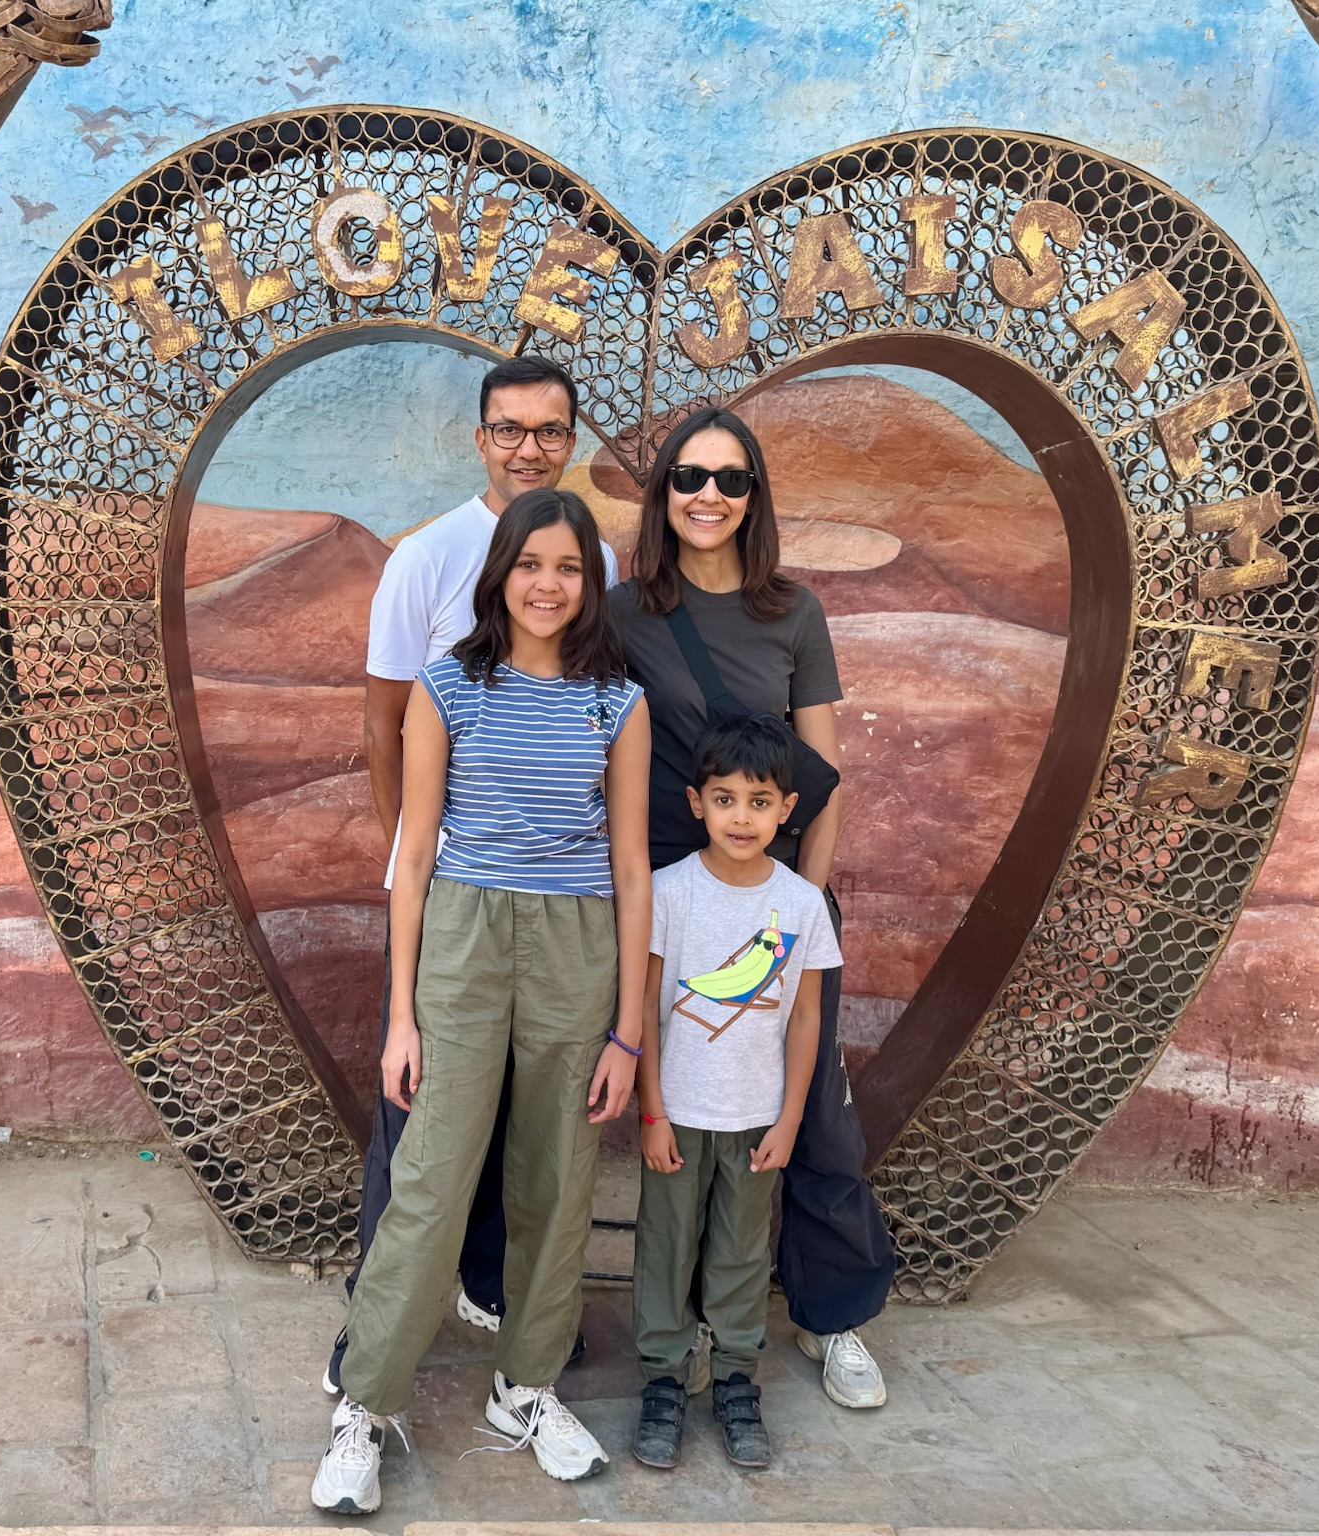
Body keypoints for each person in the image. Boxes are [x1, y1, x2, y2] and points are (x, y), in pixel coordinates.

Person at [312, 489, 651, 1515]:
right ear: (500, 573)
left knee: (558, 1174)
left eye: (569, 568)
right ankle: (366, 1403)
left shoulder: (616, 703)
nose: (548, 585)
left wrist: (628, 1032)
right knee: (431, 1174)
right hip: (461, 940)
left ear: (590, 583)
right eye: (530, 564)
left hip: (577, 946)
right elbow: (414, 853)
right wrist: (402, 1017)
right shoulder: (447, 687)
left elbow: (631, 867)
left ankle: (526, 1386)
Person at [327, 356, 615, 1393]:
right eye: (509, 429)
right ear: (479, 437)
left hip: (558, 905)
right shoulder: (427, 557)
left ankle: (496, 1293)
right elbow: (384, 722)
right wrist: (413, 859)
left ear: (571, 439)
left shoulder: (593, 557)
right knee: (419, 1123)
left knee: (527, 1121)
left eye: (549, 430)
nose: (528, 448)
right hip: (453, 893)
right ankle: (371, 1327)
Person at [606, 406, 897, 1411]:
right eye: (689, 476)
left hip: (771, 902)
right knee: (654, 1106)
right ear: (662, 492)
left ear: (754, 497)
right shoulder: (624, 613)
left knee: (811, 1115)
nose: (708, 496)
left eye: (731, 480)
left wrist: (797, 904)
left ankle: (831, 1314)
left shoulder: (793, 614)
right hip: (659, 900)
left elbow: (823, 777)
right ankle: (640, 1327)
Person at [632, 715, 843, 1469]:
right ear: (697, 803)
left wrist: (790, 1118)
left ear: (787, 808)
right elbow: (646, 1007)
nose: (742, 818)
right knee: (666, 1247)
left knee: (743, 1253)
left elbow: (807, 1016)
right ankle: (662, 1380)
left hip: (758, 1117)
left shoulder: (801, 904)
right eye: (725, 799)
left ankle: (735, 1380)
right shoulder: (668, 893)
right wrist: (652, 1112)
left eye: (760, 802)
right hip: (678, 1115)